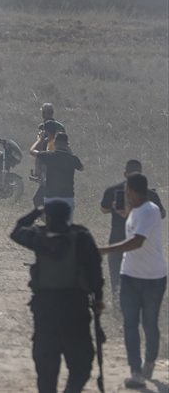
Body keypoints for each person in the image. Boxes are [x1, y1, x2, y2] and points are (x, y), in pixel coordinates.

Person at [10, 201, 104, 393]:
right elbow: (95, 270)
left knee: (46, 371)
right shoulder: (80, 236)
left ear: (48, 217)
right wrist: (98, 298)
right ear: (69, 217)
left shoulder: (39, 236)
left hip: (45, 310)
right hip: (75, 308)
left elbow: (17, 230)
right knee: (81, 365)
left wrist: (37, 212)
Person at [98, 173, 168, 389]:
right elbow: (137, 225)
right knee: (130, 324)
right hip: (129, 275)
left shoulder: (149, 210)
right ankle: (136, 371)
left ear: (131, 190)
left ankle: (148, 361)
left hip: (152, 278)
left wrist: (104, 250)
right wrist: (127, 213)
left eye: (127, 189)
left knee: (149, 324)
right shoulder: (138, 210)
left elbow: (137, 242)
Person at [100, 161, 165, 297]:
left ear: (125, 174)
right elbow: (162, 214)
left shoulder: (112, 191)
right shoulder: (150, 195)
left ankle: (118, 308)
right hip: (145, 245)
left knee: (116, 281)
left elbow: (103, 209)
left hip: (117, 239)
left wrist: (115, 207)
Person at [29, 131, 84, 223]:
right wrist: (69, 150)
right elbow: (81, 168)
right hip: (68, 197)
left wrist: (39, 140)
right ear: (67, 144)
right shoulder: (72, 158)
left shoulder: (49, 156)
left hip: (51, 196)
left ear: (54, 144)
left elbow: (32, 151)